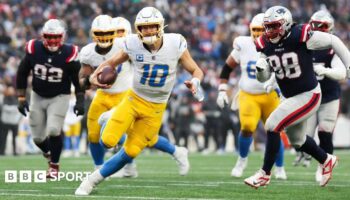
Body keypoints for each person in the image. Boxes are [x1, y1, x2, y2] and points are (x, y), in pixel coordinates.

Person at [75, 6, 204, 195]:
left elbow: (196, 70)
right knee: (107, 142)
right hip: (134, 99)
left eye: (152, 26)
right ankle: (109, 117)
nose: (149, 30)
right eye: (144, 27)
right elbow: (111, 62)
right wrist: (95, 76)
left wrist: (195, 81)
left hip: (156, 108)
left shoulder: (175, 43)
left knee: (131, 151)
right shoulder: (132, 43)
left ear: (160, 26)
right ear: (138, 29)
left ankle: (90, 181)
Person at [244, 6, 350, 188]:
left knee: (272, 124)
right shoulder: (265, 43)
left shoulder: (300, 35)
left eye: (274, 26)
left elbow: (334, 41)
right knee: (298, 140)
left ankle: (264, 174)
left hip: (309, 94)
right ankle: (326, 160)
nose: (269, 31)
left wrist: (348, 66)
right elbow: (264, 75)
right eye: (267, 27)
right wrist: (261, 70)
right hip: (291, 96)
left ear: (285, 24)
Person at [216, 13, 286, 179]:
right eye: (254, 29)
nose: (256, 33)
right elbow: (227, 67)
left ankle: (280, 167)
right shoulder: (244, 44)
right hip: (248, 94)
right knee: (247, 127)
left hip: (270, 95)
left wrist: (282, 91)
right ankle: (242, 160)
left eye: (260, 29)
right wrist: (222, 89)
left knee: (275, 131)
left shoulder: (278, 45)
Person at [16, 19, 84, 178]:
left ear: (63, 37)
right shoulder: (34, 49)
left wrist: (80, 100)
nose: (52, 40)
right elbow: (22, 72)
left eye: (56, 37)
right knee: (38, 137)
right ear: (43, 36)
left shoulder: (69, 53)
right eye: (49, 36)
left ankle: (54, 166)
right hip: (37, 95)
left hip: (60, 96)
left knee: (54, 130)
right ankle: (48, 152)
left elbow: (76, 79)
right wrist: (20, 97)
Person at [79, 15, 135, 176]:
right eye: (100, 33)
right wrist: (90, 81)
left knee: (115, 133)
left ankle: (129, 165)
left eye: (107, 33)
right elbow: (81, 81)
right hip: (102, 96)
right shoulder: (88, 52)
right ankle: (98, 168)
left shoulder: (124, 44)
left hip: (123, 95)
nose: (104, 37)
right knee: (93, 134)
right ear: (93, 34)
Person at [304, 10, 346, 182]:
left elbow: (342, 73)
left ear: (330, 28)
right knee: (303, 137)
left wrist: (325, 71)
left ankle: (324, 166)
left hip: (328, 96)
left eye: (323, 27)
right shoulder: (304, 44)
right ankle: (315, 158)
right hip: (309, 95)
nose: (319, 30)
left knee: (325, 132)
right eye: (316, 26)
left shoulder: (333, 46)